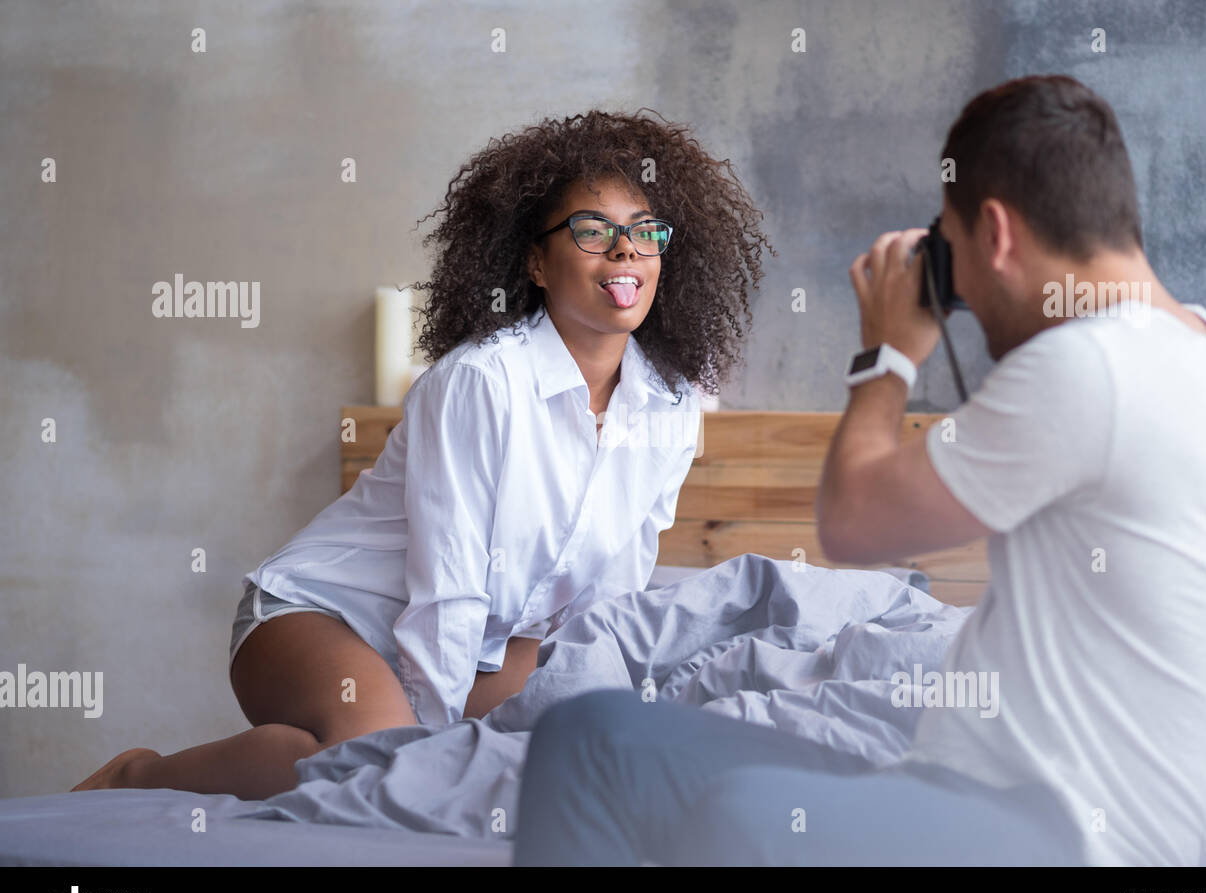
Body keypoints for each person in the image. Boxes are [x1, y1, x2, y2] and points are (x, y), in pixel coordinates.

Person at [512, 75, 1206, 866]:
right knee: (591, 736)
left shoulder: (1093, 366)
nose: (965, 305)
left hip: (1069, 838)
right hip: (962, 790)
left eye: (952, 257)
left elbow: (854, 524)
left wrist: (885, 356)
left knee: (742, 819)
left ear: (997, 233)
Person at [71, 108, 774, 800]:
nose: (625, 250)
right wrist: (431, 762)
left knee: (595, 743)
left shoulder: (672, 405)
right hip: (320, 618)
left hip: (483, 649)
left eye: (645, 231)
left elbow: (615, 594)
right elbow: (450, 586)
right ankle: (138, 775)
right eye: (593, 231)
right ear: (535, 259)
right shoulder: (481, 382)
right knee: (380, 769)